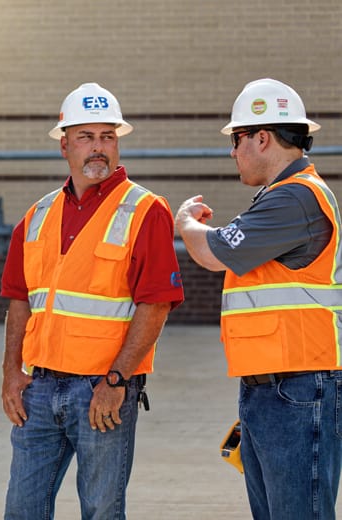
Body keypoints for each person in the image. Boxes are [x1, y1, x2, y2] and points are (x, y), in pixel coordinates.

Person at [0, 82, 184, 519]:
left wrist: (116, 382)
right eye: (86, 137)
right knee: (22, 509)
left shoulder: (145, 209)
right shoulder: (38, 215)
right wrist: (11, 371)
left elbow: (155, 305)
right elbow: (19, 299)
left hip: (102, 390)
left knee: (102, 510)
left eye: (108, 137)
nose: (98, 148)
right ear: (65, 145)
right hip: (39, 389)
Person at [175, 78, 342, 519]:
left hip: (297, 389)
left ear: (262, 138)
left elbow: (212, 251)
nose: (233, 151)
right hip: (276, 388)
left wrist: (186, 222)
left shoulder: (295, 198)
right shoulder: (283, 196)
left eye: (237, 139)